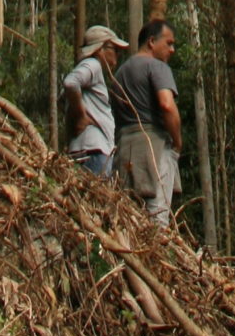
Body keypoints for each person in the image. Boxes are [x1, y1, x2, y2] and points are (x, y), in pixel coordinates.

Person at [112, 18, 182, 224]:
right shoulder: (157, 67)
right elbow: (167, 105)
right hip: (154, 146)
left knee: (128, 216)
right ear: (152, 41)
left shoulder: (120, 73)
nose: (172, 50)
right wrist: (178, 142)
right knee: (157, 216)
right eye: (168, 43)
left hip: (124, 148)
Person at [62, 24, 127, 175]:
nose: (117, 55)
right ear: (100, 49)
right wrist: (81, 116)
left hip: (88, 148)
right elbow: (70, 83)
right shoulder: (93, 64)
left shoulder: (92, 69)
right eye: (115, 50)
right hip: (94, 150)